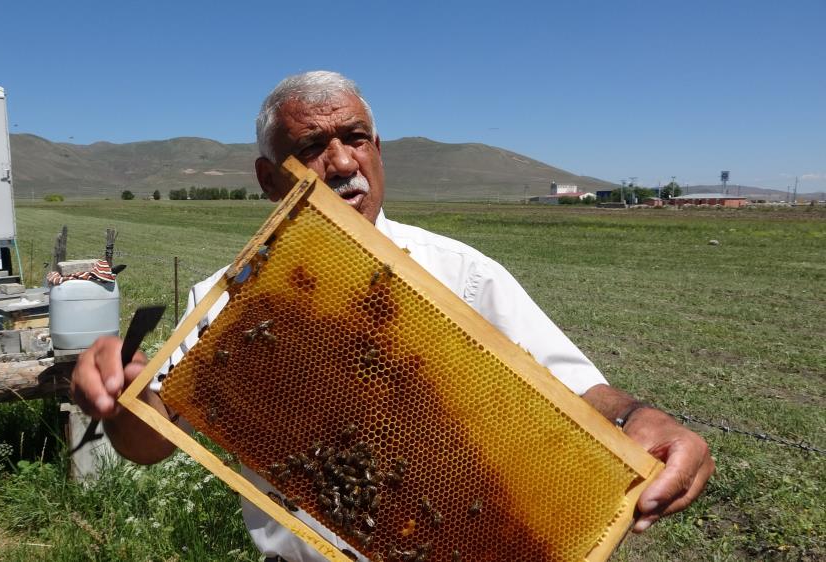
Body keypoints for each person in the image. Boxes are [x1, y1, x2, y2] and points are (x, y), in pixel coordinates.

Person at [72, 71, 714, 561]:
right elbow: (152, 443)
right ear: (270, 178)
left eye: (354, 139)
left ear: (378, 149)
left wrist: (638, 417)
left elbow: (581, 390)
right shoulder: (229, 298)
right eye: (313, 145)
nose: (344, 163)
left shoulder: (462, 272)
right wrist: (121, 401)